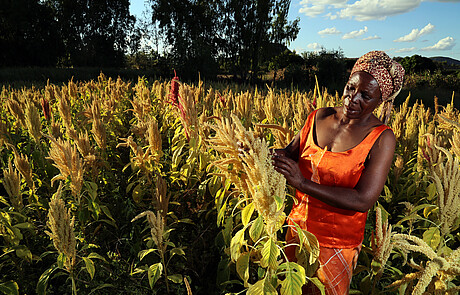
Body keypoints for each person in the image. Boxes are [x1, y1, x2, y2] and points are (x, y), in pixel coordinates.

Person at [273, 50, 405, 295]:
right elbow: (289, 154)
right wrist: (256, 151)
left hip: (335, 244)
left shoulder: (381, 138)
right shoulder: (319, 116)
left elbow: (363, 199)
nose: (352, 99)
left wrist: (302, 183)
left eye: (365, 96)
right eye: (350, 87)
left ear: (381, 101)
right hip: (297, 230)